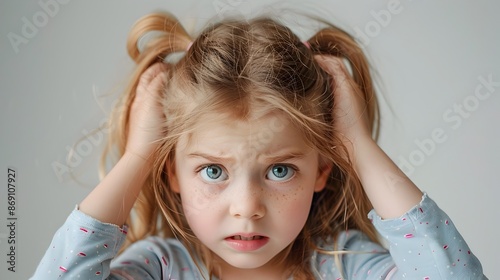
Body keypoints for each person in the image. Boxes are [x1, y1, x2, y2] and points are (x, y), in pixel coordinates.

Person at [31, 11, 486, 279]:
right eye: (213, 171)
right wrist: (138, 157)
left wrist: (357, 144)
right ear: (171, 171)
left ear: (323, 169)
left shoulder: (344, 265)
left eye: (279, 170)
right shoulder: (160, 268)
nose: (246, 207)